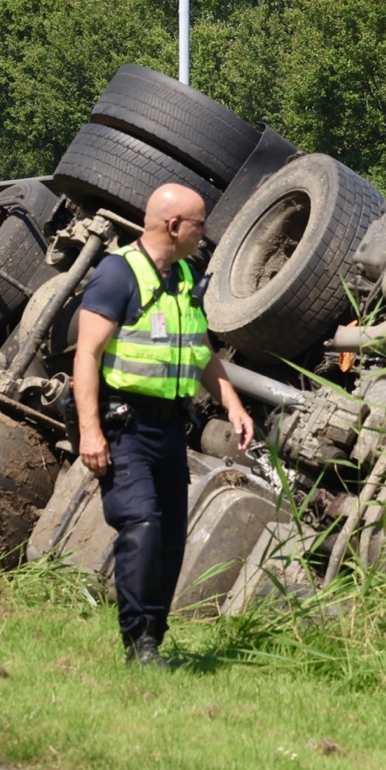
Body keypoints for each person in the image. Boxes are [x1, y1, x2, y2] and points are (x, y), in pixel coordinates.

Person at [73, 183, 256, 667]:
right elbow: (86, 355)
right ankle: (137, 642)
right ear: (173, 226)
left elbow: (202, 350)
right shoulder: (117, 273)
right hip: (125, 426)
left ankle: (153, 637)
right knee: (142, 525)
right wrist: (90, 432)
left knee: (171, 536)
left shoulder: (186, 276)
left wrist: (233, 406)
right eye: (200, 223)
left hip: (171, 429)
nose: (205, 232)